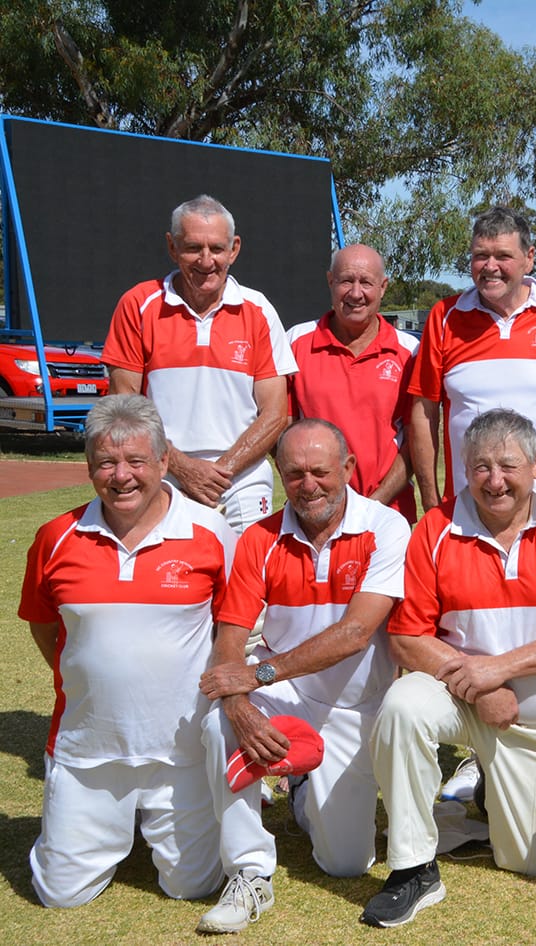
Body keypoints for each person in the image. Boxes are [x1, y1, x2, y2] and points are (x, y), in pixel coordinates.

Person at [362, 408, 536, 929]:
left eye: (508, 465)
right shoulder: (435, 528)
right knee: (403, 706)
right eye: (481, 467)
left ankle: (486, 792)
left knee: (532, 861)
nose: (495, 480)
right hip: (459, 697)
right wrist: (480, 689)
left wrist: (496, 670)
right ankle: (413, 868)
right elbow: (408, 636)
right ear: (464, 468)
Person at [194, 418, 410, 933]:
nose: (308, 485)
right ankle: (249, 871)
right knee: (216, 726)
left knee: (345, 863)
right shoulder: (259, 538)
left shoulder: (386, 527)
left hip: (359, 705)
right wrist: (239, 704)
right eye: (294, 473)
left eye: (320, 471)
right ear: (278, 473)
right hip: (284, 695)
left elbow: (356, 633)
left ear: (349, 469)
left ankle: (300, 791)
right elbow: (230, 633)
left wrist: (256, 674)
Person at [20, 394, 235, 908]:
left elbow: (234, 631)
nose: (122, 476)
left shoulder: (213, 533)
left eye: (136, 461)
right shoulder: (55, 537)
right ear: (89, 467)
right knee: (59, 896)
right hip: (88, 751)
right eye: (106, 463)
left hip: (180, 751)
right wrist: (98, 682)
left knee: (193, 887)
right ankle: (82, 824)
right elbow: (46, 629)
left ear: (164, 461)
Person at [103, 194, 297, 533]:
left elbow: (277, 413)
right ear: (172, 247)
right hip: (163, 476)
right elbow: (124, 407)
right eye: (193, 247)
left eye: (217, 249)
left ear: (234, 249)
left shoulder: (259, 309)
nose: (206, 261)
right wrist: (182, 468)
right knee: (170, 582)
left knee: (247, 584)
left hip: (242, 482)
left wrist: (221, 470)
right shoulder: (138, 305)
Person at [405, 206, 536, 510]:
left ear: (529, 258)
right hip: (469, 513)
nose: (490, 266)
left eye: (503, 256)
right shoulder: (445, 317)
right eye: (480, 255)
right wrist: (433, 506)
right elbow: (423, 413)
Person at [286, 244, 420, 523]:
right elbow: (282, 430)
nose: (356, 293)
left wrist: (373, 506)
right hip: (314, 514)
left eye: (366, 282)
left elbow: (416, 442)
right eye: (346, 280)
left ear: (383, 287)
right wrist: (310, 490)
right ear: (330, 281)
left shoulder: (409, 352)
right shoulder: (295, 343)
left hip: (388, 514)